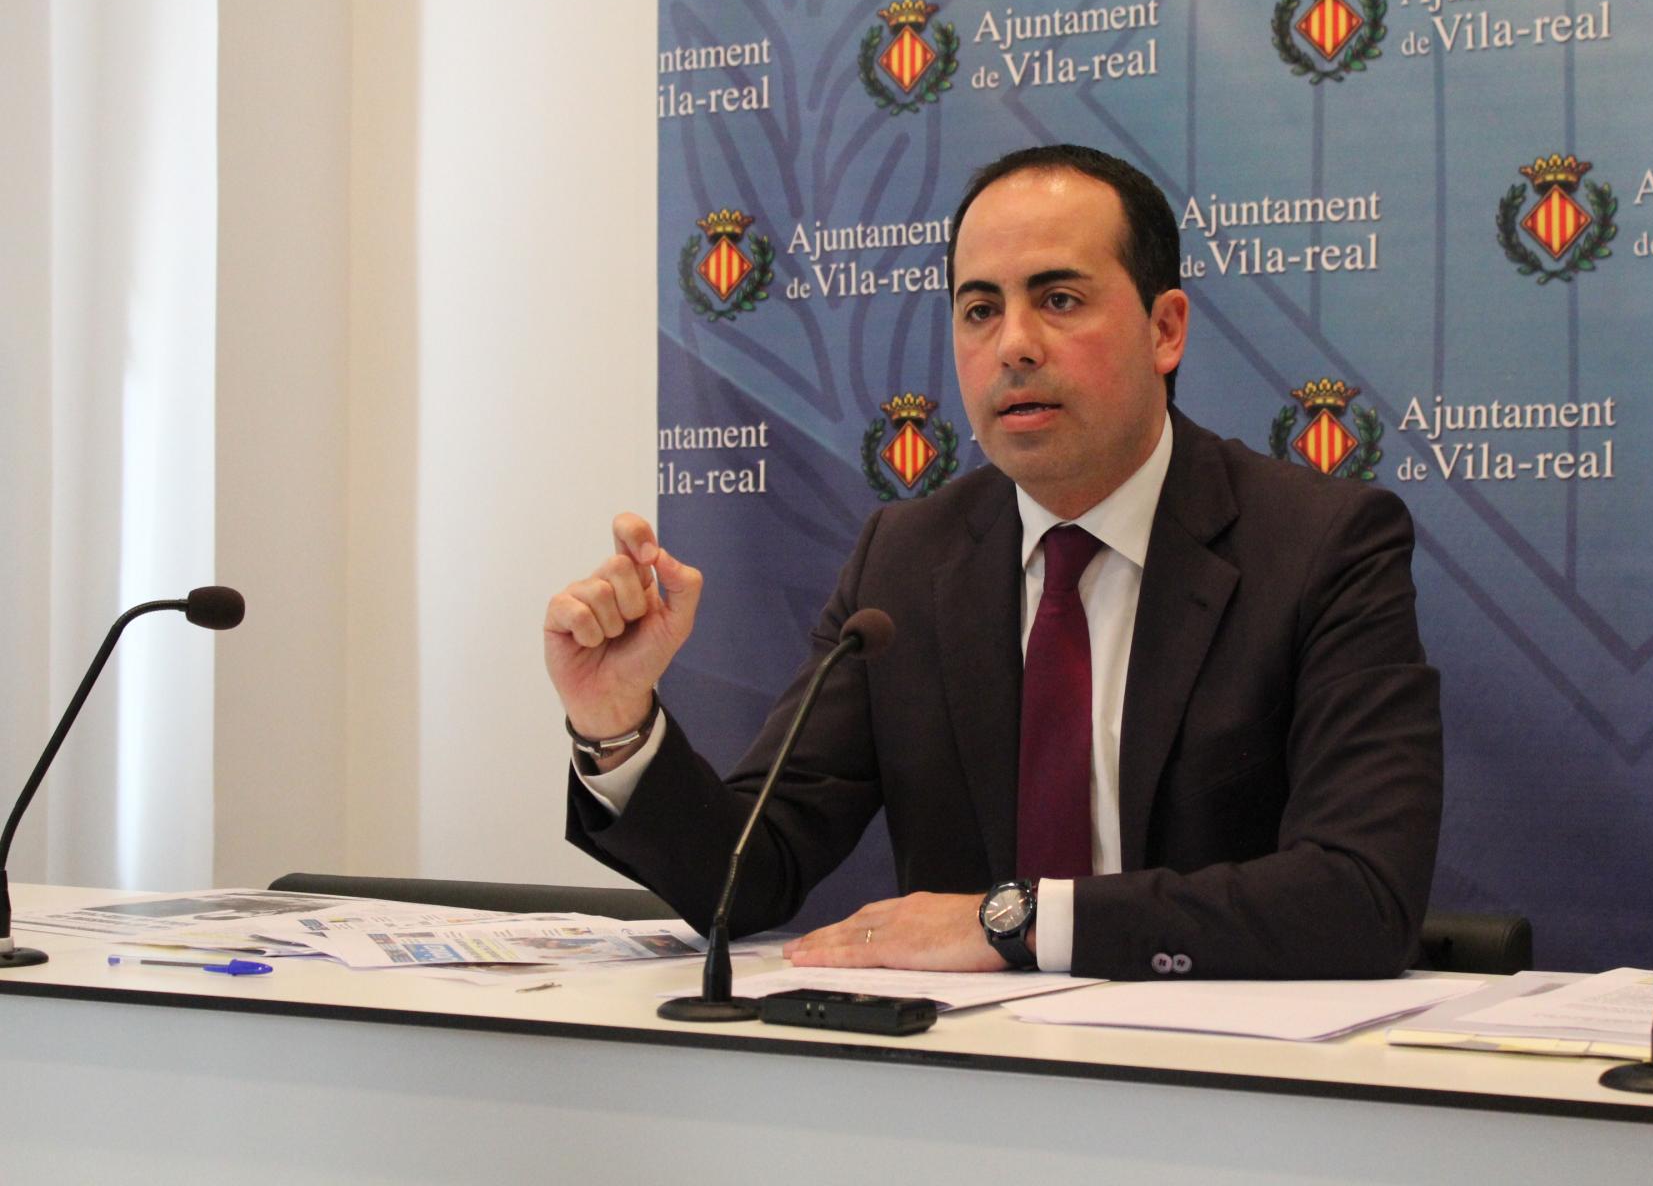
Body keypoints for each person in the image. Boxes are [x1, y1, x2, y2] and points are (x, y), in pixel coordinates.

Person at [545, 145, 1442, 981]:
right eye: (980, 310)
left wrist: (1012, 923)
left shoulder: (1320, 546)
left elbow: (1362, 896)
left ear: (1165, 330)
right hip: (968, 1074)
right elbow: (748, 874)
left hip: (1212, 1072)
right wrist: (616, 723)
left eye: (1059, 300)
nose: (1013, 344)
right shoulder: (905, 560)